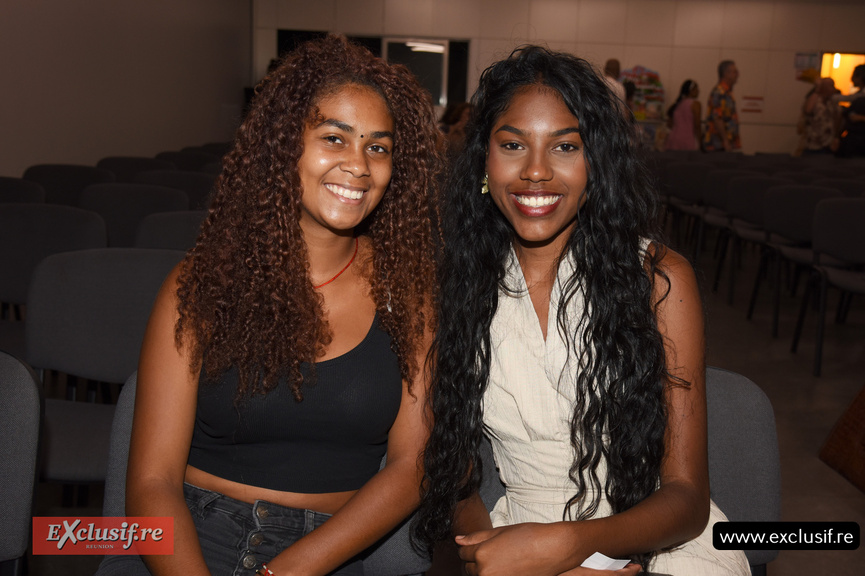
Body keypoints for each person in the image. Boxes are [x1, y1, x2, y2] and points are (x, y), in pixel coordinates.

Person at [414, 46, 750, 576]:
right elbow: (451, 470)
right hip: (517, 535)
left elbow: (685, 498)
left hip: (652, 537)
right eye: (512, 145)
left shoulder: (659, 279)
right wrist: (490, 550)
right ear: (484, 159)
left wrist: (572, 547)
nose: (536, 171)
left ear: (596, 164)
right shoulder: (455, 284)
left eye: (565, 146)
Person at [121, 35, 440, 576]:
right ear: (283, 145)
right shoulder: (200, 285)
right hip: (189, 543)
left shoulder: (409, 296)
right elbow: (151, 484)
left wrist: (289, 569)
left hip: (327, 554)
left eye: (378, 147)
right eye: (334, 138)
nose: (359, 166)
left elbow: (414, 467)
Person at [704, 60, 741, 152]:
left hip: (723, 144)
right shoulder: (720, 92)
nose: (738, 75)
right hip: (718, 145)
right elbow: (717, 118)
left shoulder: (727, 92)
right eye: (735, 72)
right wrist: (725, 141)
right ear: (726, 73)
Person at [833, 64, 865, 157]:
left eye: (854, 75)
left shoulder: (861, 96)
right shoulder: (859, 95)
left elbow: (848, 99)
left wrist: (861, 118)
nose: (851, 79)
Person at [665, 79, 702, 151]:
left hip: (673, 139)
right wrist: (700, 142)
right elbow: (697, 125)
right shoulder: (695, 104)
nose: (698, 91)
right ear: (691, 90)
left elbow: (669, 124)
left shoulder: (677, 104)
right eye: (696, 88)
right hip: (687, 140)